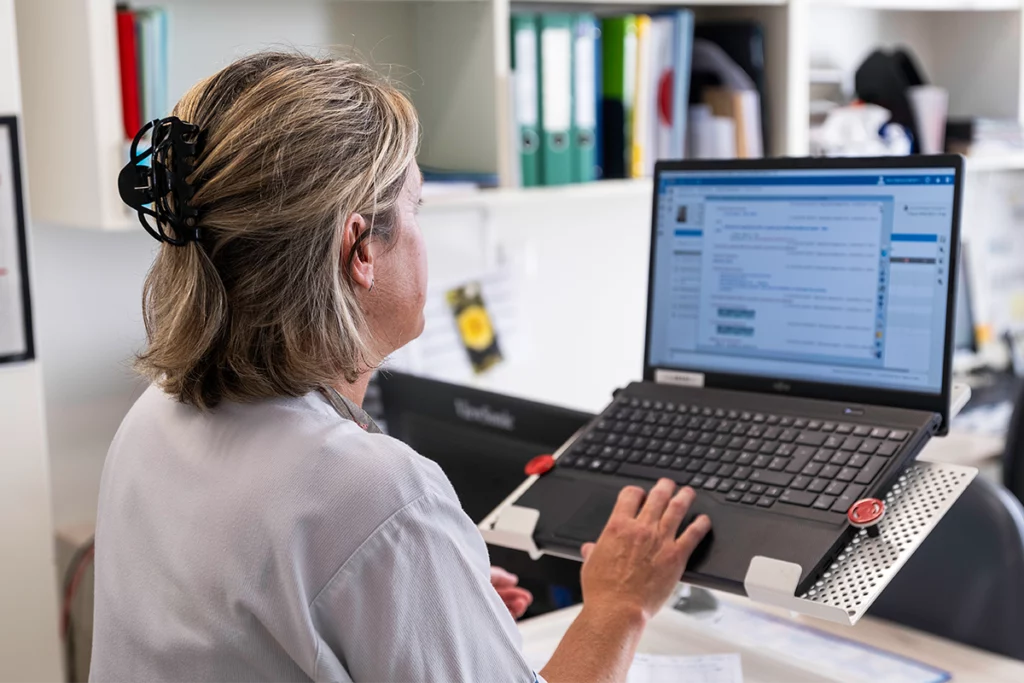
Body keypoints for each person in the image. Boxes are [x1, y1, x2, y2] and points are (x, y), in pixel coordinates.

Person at [90, 52, 711, 683]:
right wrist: (619, 606)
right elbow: (341, 536)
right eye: (416, 207)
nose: (421, 235)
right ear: (359, 248)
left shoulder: (155, 415)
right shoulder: (375, 496)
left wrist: (432, 594)